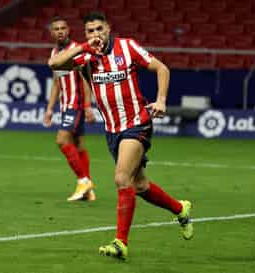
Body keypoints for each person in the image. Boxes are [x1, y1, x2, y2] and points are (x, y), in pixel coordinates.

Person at [48, 12, 193, 260]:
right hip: (113, 130)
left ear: (108, 28)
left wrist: (161, 100)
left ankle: (120, 243)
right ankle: (181, 209)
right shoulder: (85, 56)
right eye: (90, 31)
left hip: (137, 123)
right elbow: (55, 64)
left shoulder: (127, 47)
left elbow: (161, 68)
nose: (95, 34)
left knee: (121, 178)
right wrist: (83, 47)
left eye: (99, 29)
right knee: (139, 185)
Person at [44, 16, 97, 201]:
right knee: (79, 145)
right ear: (51, 33)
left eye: (63, 28)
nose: (60, 31)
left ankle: (83, 181)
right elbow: (57, 83)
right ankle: (88, 190)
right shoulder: (55, 54)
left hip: (77, 105)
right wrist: (50, 109)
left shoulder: (76, 50)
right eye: (56, 28)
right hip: (66, 105)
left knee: (62, 140)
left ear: (68, 30)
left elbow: (85, 79)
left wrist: (88, 106)